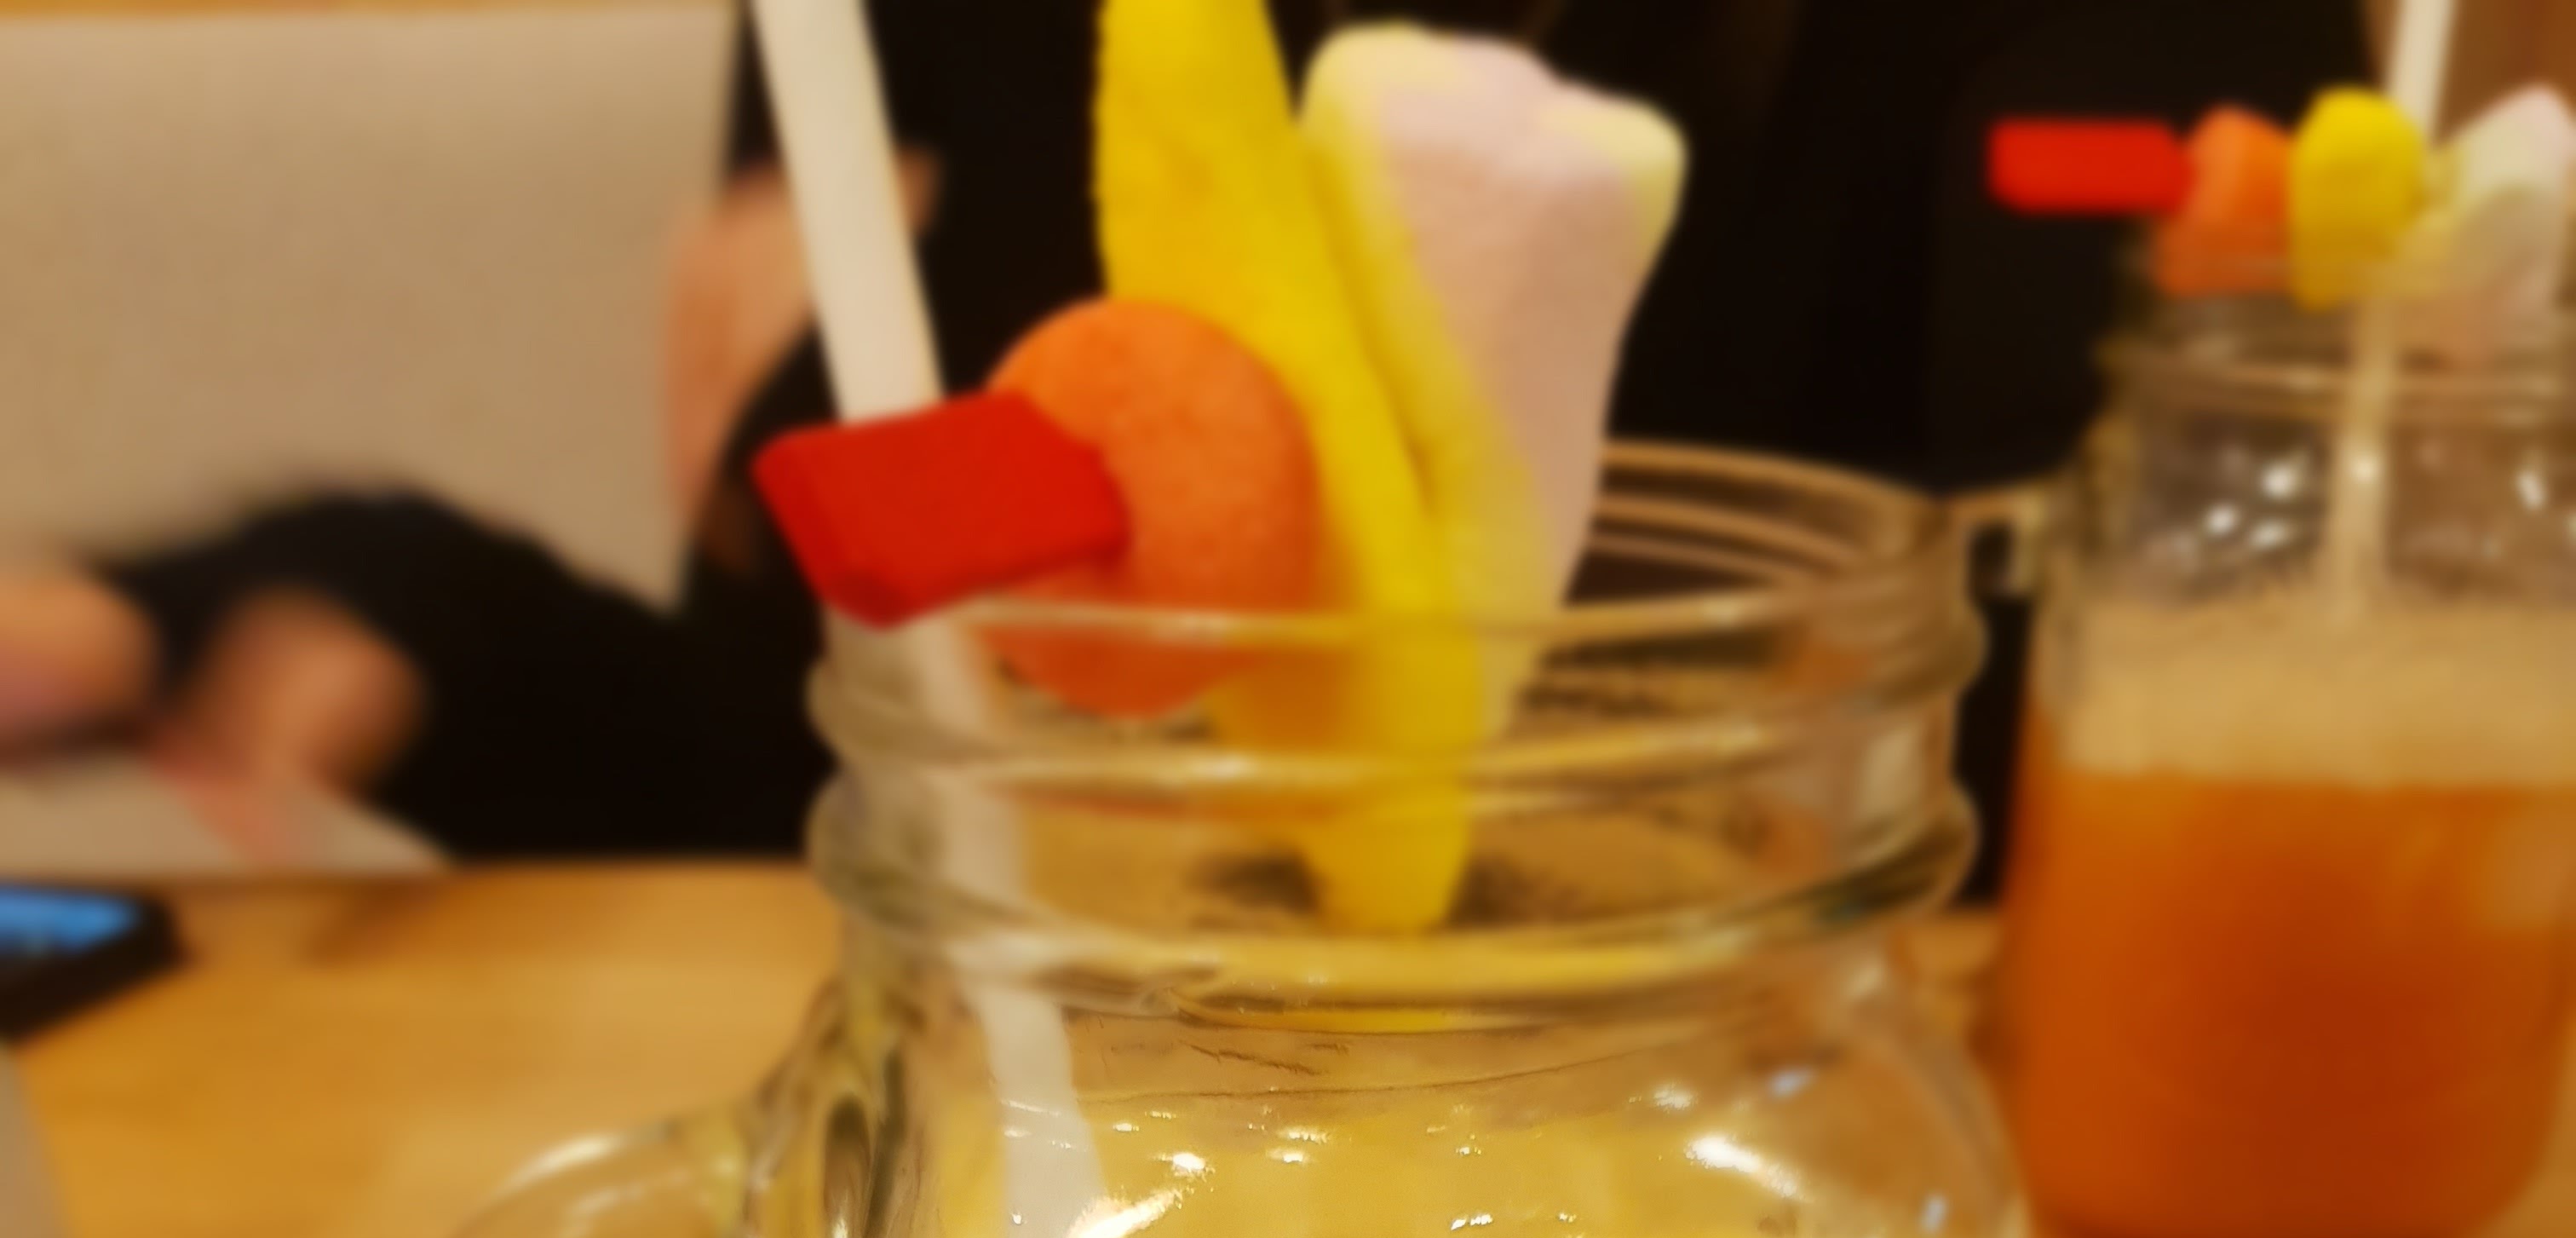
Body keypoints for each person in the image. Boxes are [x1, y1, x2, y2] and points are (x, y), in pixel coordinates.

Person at [0, 0, 2368, 862]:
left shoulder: (2059, 61)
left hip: (1752, 1171)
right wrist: (398, 613)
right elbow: (876, 770)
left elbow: (2127, 733)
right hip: (1114, 1181)